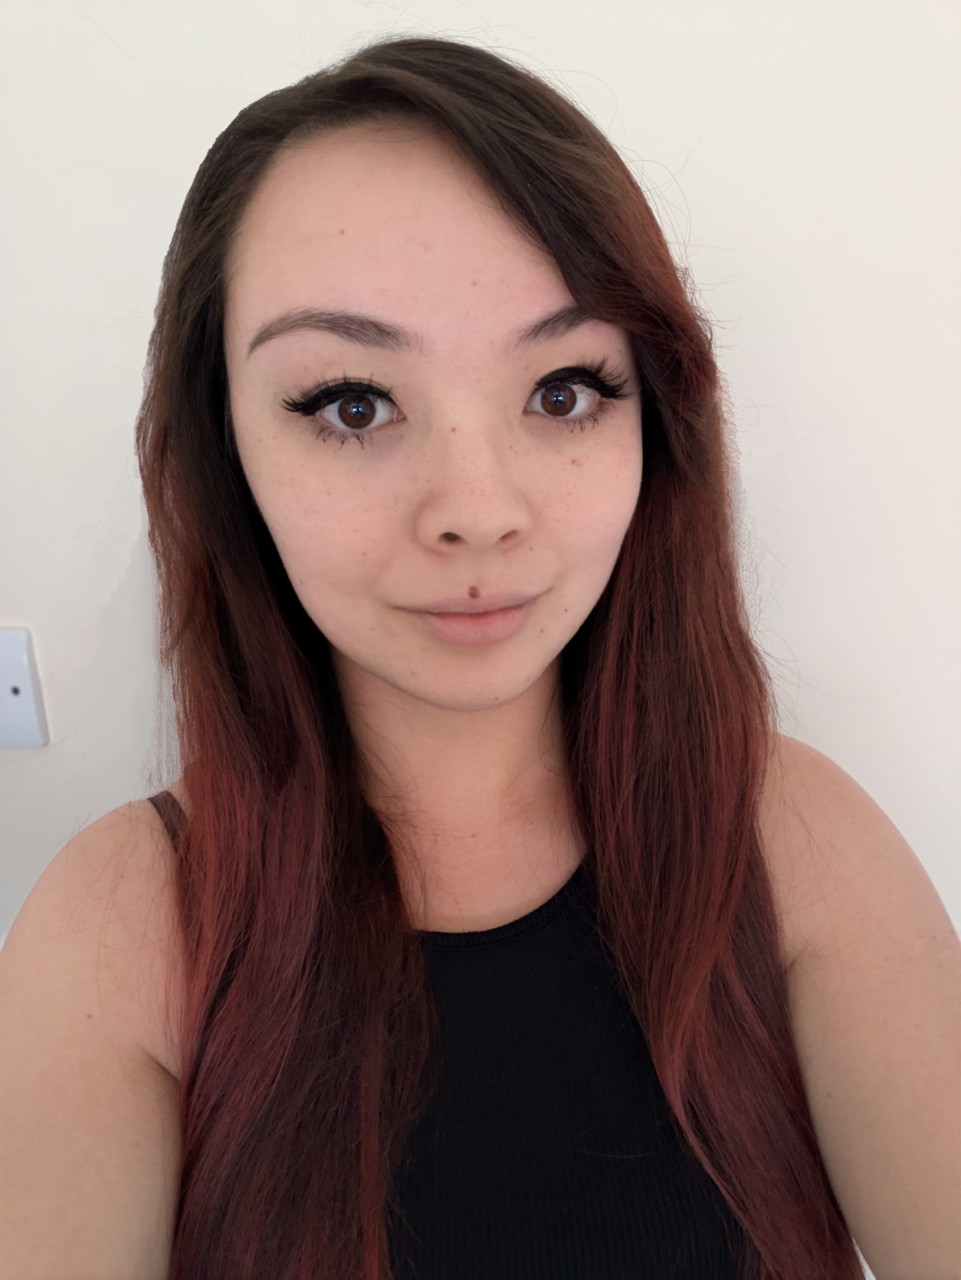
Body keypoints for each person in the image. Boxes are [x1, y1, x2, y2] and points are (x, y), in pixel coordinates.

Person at [1, 34, 958, 1280]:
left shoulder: (793, 841)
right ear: (223, 446)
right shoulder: (117, 932)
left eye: (562, 390)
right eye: (352, 403)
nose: (478, 510)